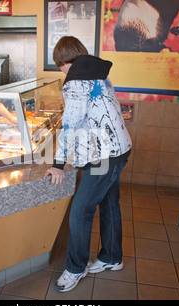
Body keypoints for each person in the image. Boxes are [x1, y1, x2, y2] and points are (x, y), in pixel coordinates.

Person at [44, 36, 132, 292]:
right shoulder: (98, 74)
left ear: (63, 61)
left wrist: (59, 163)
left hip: (104, 156)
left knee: (81, 210)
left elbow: (71, 125)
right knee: (108, 204)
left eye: (59, 65)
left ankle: (75, 267)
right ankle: (111, 258)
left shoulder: (75, 82)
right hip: (119, 149)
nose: (60, 70)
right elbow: (92, 117)